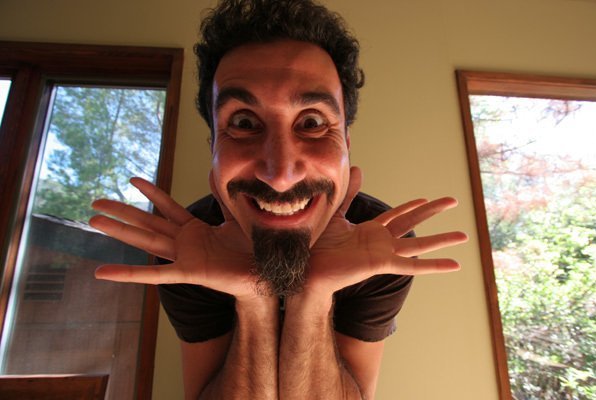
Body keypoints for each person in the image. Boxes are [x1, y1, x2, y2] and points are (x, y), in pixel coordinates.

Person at [89, 0, 468, 399]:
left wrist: (314, 297)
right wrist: (254, 300)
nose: (281, 174)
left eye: (312, 122)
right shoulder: (188, 247)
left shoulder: (379, 244)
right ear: (214, 147)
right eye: (244, 123)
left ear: (346, 144)